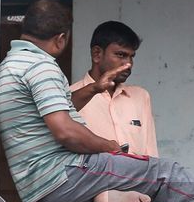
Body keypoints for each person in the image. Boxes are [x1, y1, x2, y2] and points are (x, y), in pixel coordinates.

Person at [0, 0, 194, 202]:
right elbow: (65, 131)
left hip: (39, 187)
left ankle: (107, 195)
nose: (128, 62)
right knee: (165, 173)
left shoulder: (11, 66)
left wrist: (93, 88)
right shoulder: (42, 67)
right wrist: (109, 147)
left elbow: (55, 112)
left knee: (143, 170)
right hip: (63, 177)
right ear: (61, 39)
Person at [69, 21, 160, 157]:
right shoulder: (70, 97)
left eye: (131, 56)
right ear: (97, 54)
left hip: (139, 177)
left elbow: (151, 157)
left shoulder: (141, 97)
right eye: (121, 55)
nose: (128, 64)